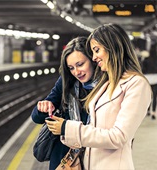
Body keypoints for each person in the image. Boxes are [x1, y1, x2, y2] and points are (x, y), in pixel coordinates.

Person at [46, 23, 152, 170]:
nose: (94, 58)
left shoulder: (136, 84)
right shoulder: (107, 83)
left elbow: (118, 137)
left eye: (96, 50)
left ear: (112, 47)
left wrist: (67, 127)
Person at [31, 36, 96, 170]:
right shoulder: (67, 82)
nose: (76, 72)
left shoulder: (107, 86)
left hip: (95, 156)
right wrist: (44, 106)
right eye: (71, 68)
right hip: (65, 159)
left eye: (80, 64)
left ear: (92, 60)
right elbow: (36, 117)